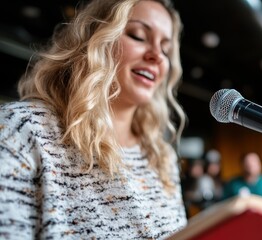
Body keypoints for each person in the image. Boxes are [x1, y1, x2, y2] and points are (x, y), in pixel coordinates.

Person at [0, 0, 188, 239]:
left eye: (165, 48)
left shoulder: (162, 158)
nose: (157, 56)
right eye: (138, 36)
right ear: (95, 39)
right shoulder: (23, 130)